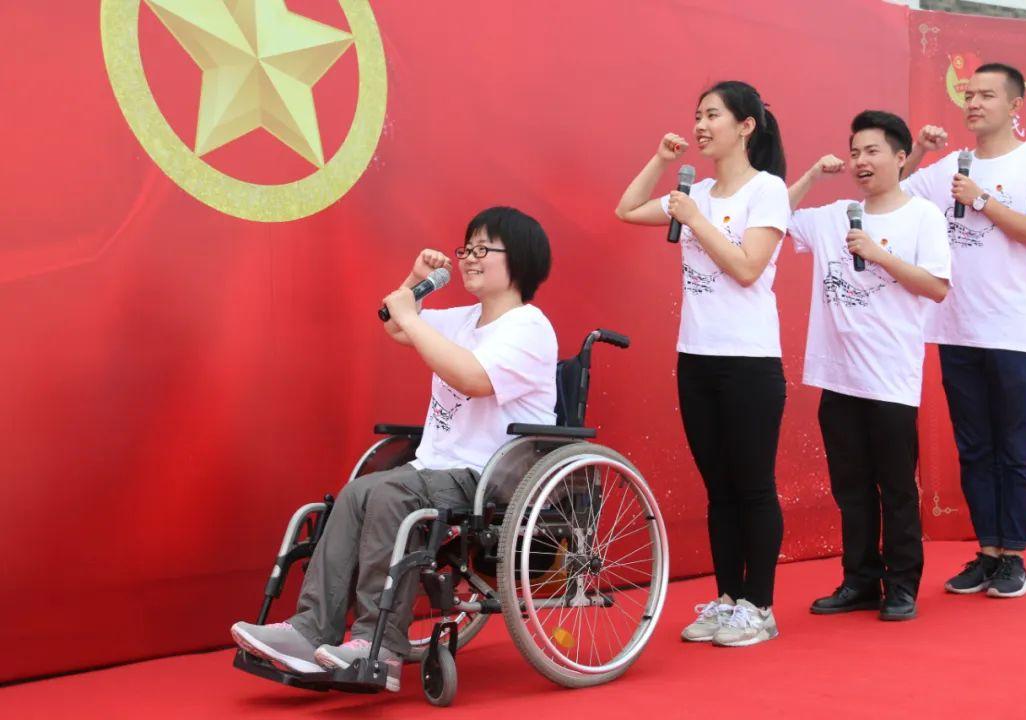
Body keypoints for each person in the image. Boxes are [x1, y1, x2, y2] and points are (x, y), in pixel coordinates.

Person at [230, 207, 557, 690]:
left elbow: (473, 377)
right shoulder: (466, 319)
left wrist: (411, 315)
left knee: (390, 496)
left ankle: (376, 645)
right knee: (357, 493)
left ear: (520, 259)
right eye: (466, 248)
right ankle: (309, 630)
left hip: (492, 474)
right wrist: (415, 282)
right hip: (438, 467)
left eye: (483, 249)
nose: (469, 258)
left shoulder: (529, 327)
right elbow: (398, 326)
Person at [615, 80, 789, 647]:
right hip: (697, 357)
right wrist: (660, 161)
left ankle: (759, 606)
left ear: (745, 126)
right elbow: (626, 210)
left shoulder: (767, 190)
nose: (700, 126)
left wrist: (695, 217)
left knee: (752, 485)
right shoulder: (698, 191)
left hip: (749, 361)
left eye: (713, 115)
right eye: (697, 116)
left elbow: (747, 268)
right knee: (719, 488)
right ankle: (728, 599)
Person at [902, 63, 1026, 598]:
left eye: (986, 95)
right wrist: (919, 151)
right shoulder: (951, 165)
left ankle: (1014, 558)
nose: (973, 103)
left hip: (1013, 330)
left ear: (1016, 105)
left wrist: (980, 199)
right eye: (969, 95)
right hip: (957, 327)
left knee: (1014, 446)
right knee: (974, 447)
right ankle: (988, 552)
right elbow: (892, 194)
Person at [787, 111, 951, 621]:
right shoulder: (835, 215)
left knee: (896, 488)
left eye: (872, 151)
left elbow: (937, 286)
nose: (861, 160)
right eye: (855, 151)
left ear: (901, 158)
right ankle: (859, 579)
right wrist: (812, 175)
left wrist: (880, 255)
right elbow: (770, 217)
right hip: (838, 378)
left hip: (891, 380)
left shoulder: (922, 216)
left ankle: (901, 584)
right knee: (851, 489)